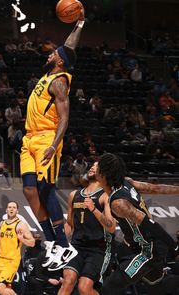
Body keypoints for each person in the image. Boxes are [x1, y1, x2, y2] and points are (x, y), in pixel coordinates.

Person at [20, 10, 85, 270]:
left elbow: (65, 119)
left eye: (53, 53)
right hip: (28, 140)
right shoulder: (50, 73)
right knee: (28, 190)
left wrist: (53, 144)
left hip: (46, 138)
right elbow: (69, 47)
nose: (50, 53)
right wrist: (80, 23)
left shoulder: (59, 82)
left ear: (60, 61)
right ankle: (53, 242)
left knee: (46, 190)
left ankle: (63, 245)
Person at [96, 153, 179, 295]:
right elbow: (155, 188)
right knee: (155, 287)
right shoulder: (127, 182)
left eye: (97, 167)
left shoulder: (118, 203)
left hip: (148, 250)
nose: (94, 169)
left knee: (108, 288)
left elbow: (150, 225)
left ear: (103, 175)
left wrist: (175, 248)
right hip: (142, 245)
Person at [57, 162, 115, 294]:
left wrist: (94, 209)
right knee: (68, 281)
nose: (92, 167)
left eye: (97, 166)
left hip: (97, 249)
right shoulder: (74, 195)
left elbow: (111, 227)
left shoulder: (106, 196)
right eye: (92, 165)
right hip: (76, 246)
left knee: (84, 288)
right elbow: (69, 223)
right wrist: (59, 241)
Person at [0, 201, 35, 295]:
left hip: (11, 261)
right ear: (6, 210)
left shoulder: (20, 225)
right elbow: (0, 242)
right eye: (9, 207)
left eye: (14, 207)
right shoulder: (2, 224)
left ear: (17, 211)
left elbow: (32, 243)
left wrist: (22, 239)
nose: (11, 209)